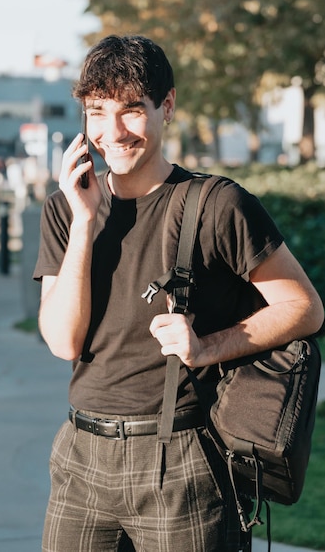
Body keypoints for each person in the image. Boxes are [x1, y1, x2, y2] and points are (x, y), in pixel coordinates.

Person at [33, 35, 324, 552]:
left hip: (182, 462)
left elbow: (304, 307)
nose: (112, 131)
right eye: (96, 112)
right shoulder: (65, 208)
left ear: (166, 106)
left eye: (131, 110)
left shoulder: (217, 205)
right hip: (79, 456)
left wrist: (207, 347)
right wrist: (82, 224)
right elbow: (63, 342)